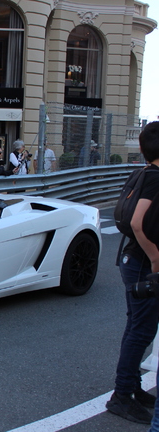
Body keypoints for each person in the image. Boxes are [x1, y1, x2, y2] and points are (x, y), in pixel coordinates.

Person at [107, 121, 159, 426]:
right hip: (141, 262)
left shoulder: (141, 172)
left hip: (130, 258)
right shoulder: (155, 178)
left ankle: (132, 388)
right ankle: (122, 396)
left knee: (137, 328)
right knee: (140, 331)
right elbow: (138, 222)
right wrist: (155, 258)